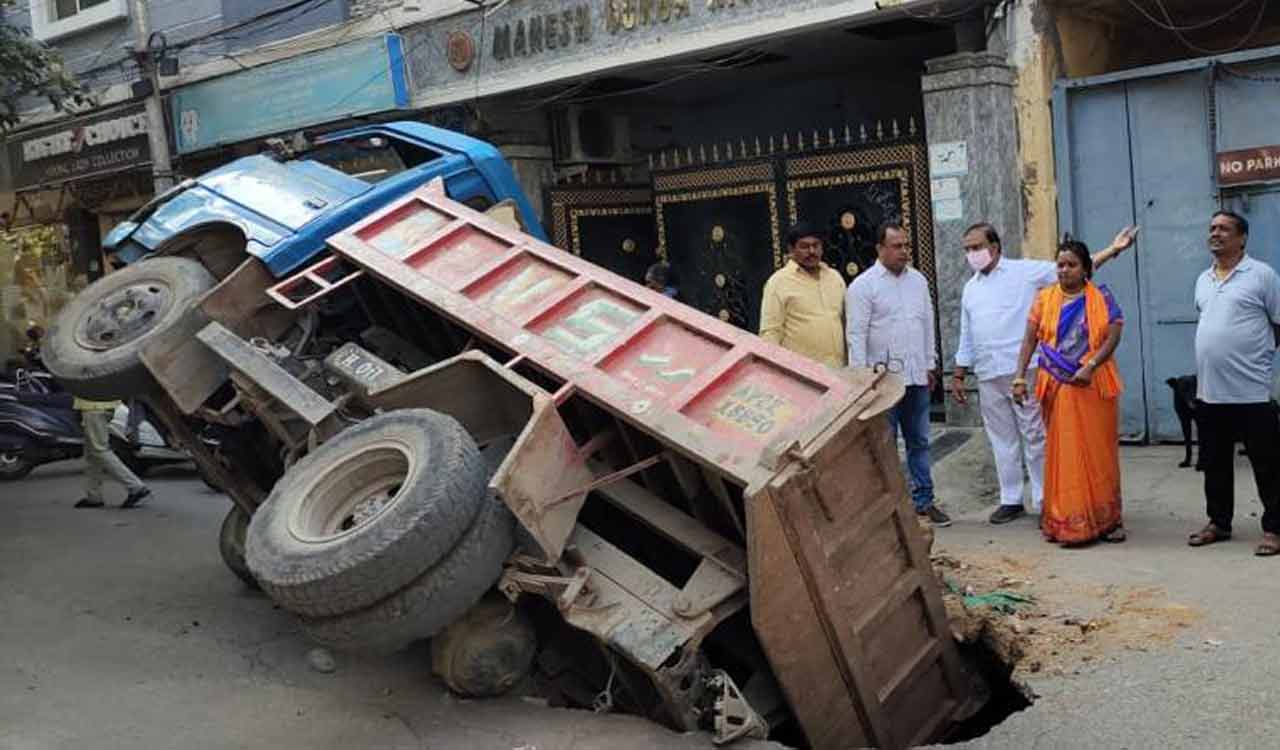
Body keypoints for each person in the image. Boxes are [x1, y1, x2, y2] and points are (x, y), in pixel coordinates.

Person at [951, 223, 1137, 524]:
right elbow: (966, 333)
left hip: (1024, 371)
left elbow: (1074, 269)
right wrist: (959, 371)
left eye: (977, 247)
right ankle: (1010, 499)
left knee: (1035, 435)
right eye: (968, 250)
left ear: (995, 246)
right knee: (1001, 438)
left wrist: (1114, 250)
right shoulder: (970, 288)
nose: (972, 254)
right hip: (987, 372)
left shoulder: (1025, 272)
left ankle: (1043, 499)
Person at [1010, 239, 1126, 545]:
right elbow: (1029, 341)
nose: (1064, 270)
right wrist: (1019, 377)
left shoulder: (1101, 298)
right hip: (1057, 385)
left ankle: (1107, 519)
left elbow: (1113, 338)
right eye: (1060, 264)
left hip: (1092, 384)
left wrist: (1090, 365)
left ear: (1086, 268)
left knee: (1098, 454)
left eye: (1071, 264)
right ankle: (1067, 519)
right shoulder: (1044, 299)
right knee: (1065, 453)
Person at [1186, 211, 1280, 556]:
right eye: (1212, 228)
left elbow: (1277, 322)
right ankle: (1219, 523)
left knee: (1268, 465)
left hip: (1251, 391)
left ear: (1242, 238)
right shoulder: (1203, 279)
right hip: (1210, 392)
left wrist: (1260, 357)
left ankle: (1274, 529)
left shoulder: (1262, 275)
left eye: (1224, 229)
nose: (1216, 234)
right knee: (1215, 464)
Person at [847, 223, 950, 526]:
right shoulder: (863, 287)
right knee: (885, 445)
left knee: (919, 441)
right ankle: (890, 506)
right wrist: (861, 380)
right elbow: (856, 335)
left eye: (906, 245)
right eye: (897, 246)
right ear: (880, 249)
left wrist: (931, 363)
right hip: (882, 382)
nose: (904, 251)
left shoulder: (918, 281)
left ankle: (923, 500)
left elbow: (927, 323)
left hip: (916, 377)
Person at [759, 221, 847, 368]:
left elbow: (846, 322)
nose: (812, 251)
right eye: (804, 246)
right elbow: (770, 333)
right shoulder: (778, 282)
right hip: (803, 376)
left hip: (839, 372)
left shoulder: (834, 277)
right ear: (791, 249)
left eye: (816, 245)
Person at [73, 397, 151, 509]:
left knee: (99, 450)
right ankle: (93, 495)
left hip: (94, 406)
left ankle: (136, 487)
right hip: (103, 406)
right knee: (92, 453)